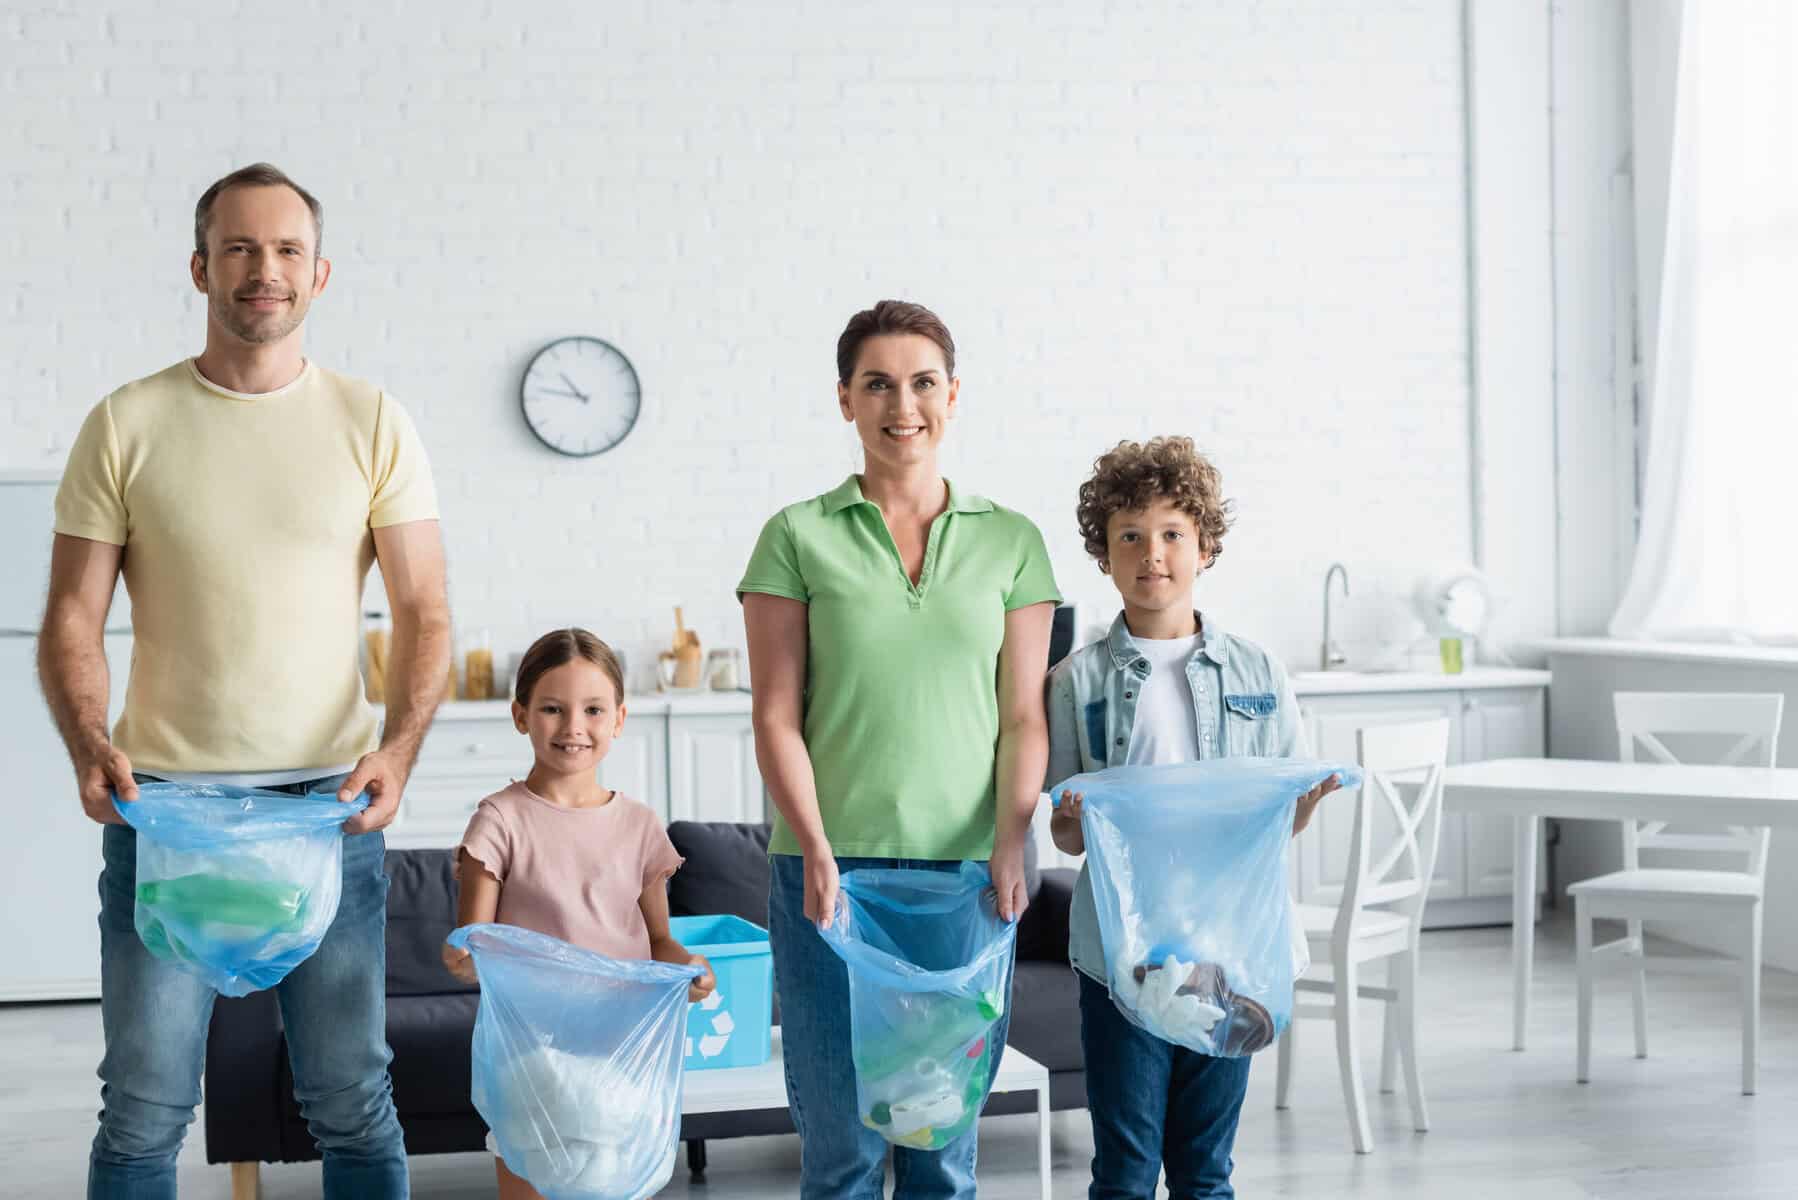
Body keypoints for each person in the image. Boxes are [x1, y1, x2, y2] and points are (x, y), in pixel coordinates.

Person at [39, 162, 449, 1199]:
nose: (262, 270)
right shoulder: (126, 422)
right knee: (141, 1106)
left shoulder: (373, 421)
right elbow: (74, 618)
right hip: (165, 811)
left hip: (328, 813)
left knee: (351, 1095)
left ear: (320, 276)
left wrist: (398, 751)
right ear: (199, 267)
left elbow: (425, 610)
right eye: (238, 249)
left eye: (284, 251)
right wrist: (90, 746)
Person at [739, 299, 1061, 1198]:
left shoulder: (1011, 540)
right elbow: (775, 713)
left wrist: (1010, 839)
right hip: (830, 874)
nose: (902, 404)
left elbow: (1024, 717)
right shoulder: (797, 535)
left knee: (940, 1148)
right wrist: (812, 846)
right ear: (845, 400)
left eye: (922, 383)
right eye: (877, 383)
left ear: (953, 396)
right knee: (839, 1151)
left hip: (964, 875)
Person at [1046, 436, 1340, 1200]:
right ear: (1104, 555)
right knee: (1125, 1168)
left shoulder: (1259, 671)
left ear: (1205, 546)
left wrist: (1302, 804)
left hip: (1230, 948)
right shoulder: (1075, 682)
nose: (1153, 554)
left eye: (1173, 533)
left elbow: (1280, 820)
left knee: (1206, 1172)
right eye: (1130, 537)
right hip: (1120, 953)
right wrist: (1077, 815)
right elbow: (1065, 836)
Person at [443, 627, 716, 1199]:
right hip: (531, 1060)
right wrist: (465, 958)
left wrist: (688, 965)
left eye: (593, 710)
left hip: (621, 1058)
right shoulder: (498, 822)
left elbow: (657, 939)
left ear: (618, 719)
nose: (573, 727)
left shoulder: (640, 826)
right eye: (552, 709)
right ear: (520, 716)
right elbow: (472, 943)